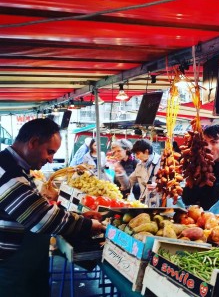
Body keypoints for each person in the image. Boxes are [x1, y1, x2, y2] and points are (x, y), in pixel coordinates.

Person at [0, 118, 104, 297]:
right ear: (33, 143)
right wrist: (89, 225)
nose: (51, 159)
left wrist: (77, 216)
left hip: (23, 263)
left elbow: (35, 209)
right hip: (12, 267)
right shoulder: (9, 173)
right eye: (49, 152)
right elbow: (42, 219)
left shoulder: (13, 166)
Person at [115, 139, 161, 207]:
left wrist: (158, 186)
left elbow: (170, 184)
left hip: (160, 204)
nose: (136, 156)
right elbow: (128, 184)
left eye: (138, 153)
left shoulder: (161, 162)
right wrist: (121, 173)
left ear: (146, 151)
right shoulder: (139, 166)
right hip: (144, 205)